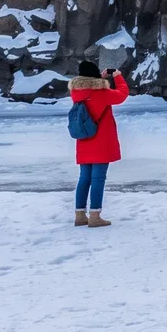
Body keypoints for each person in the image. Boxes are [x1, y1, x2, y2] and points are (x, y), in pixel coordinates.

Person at [69, 60, 129, 228]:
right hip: (101, 141)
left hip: (84, 140)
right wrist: (117, 77)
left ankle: (80, 215)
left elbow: (91, 92)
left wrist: (101, 81)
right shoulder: (101, 93)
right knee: (98, 179)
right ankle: (95, 215)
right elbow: (122, 95)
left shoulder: (76, 93)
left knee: (84, 178)